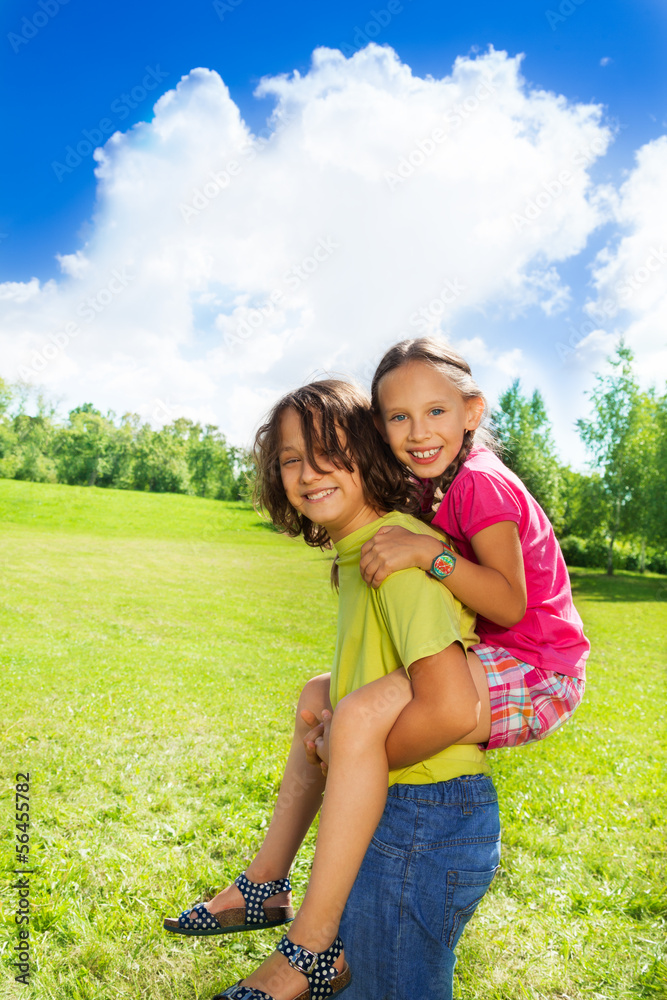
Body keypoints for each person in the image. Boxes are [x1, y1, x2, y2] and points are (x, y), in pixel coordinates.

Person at [164, 379, 501, 1000]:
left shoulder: (395, 556)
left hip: (425, 817)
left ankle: (307, 944)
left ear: (370, 452)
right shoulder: (357, 556)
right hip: (398, 809)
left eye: (329, 452)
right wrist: (333, 734)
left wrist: (345, 750)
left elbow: (455, 708)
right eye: (291, 458)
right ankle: (270, 889)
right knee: (318, 693)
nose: (308, 472)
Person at [360, 336, 589, 754]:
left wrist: (429, 554)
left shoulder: (478, 482)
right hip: (499, 653)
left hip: (538, 668)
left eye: (436, 411)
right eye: (399, 417)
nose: (419, 432)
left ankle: (343, 768)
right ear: (380, 426)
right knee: (350, 700)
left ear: (471, 411)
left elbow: (507, 603)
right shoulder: (433, 479)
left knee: (361, 736)